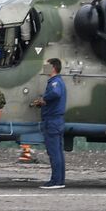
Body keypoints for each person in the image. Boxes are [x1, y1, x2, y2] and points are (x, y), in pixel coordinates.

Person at [31, 58, 66, 189]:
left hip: (52, 120)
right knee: (58, 152)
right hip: (57, 120)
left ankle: (55, 181)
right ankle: (60, 180)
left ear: (53, 68)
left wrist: (44, 99)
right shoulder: (59, 81)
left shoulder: (55, 82)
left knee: (54, 152)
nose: (45, 68)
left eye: (47, 66)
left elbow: (55, 94)